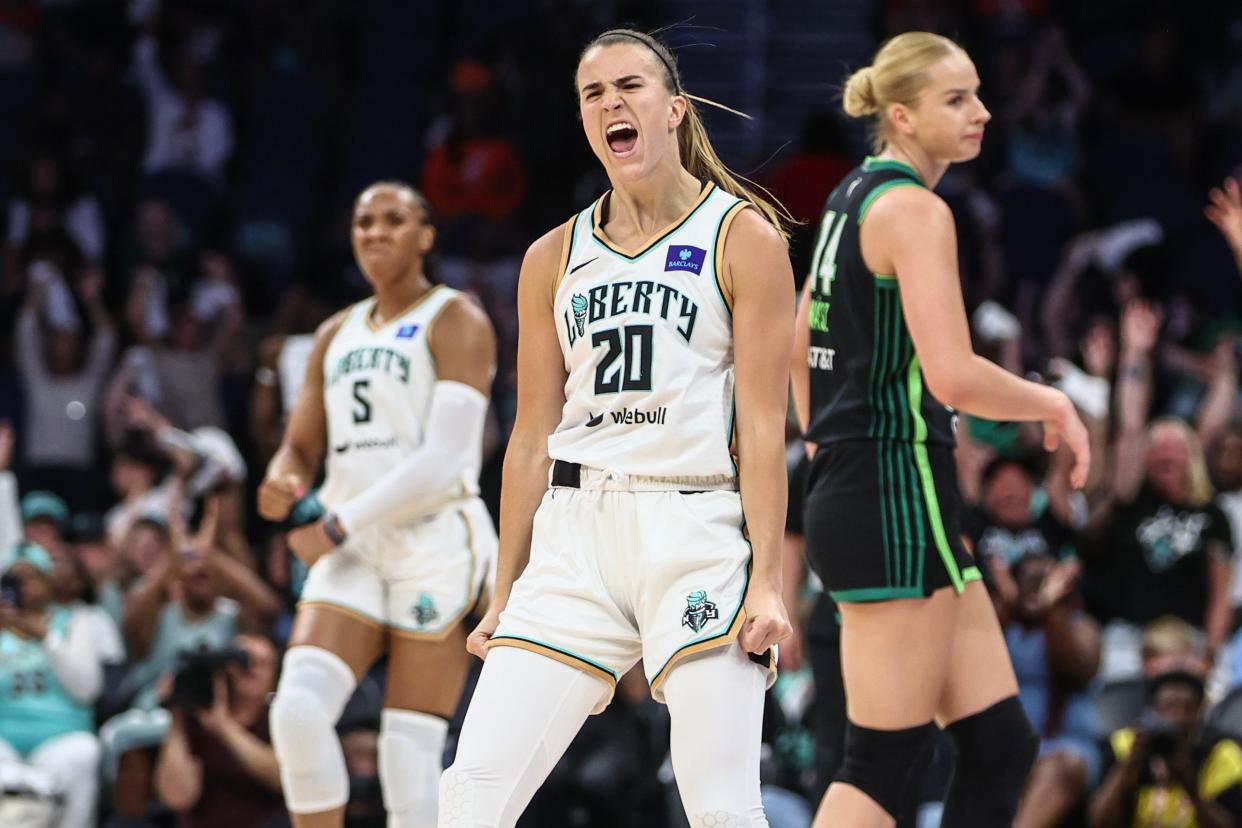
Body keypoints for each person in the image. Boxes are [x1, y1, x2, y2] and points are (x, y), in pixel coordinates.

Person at [439, 28, 796, 828]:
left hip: (695, 523)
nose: (610, 104)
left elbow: (764, 428)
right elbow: (530, 436)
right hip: (575, 534)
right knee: (469, 794)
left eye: (628, 86)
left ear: (674, 110)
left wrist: (767, 579)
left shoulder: (742, 237)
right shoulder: (551, 256)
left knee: (722, 810)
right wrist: (505, 591)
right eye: (592, 94)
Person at [789, 32, 1090, 828]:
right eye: (956, 99)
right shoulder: (915, 210)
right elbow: (953, 375)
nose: (982, 113)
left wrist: (824, 446)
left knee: (999, 748)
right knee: (883, 763)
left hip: (877, 488)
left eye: (979, 93)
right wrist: (1053, 404)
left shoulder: (850, 197)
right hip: (889, 491)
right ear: (901, 115)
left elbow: (797, 346)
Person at [257, 180, 498, 828]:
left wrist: (334, 525)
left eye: (395, 220)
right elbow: (300, 448)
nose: (376, 232)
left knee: (407, 752)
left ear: (426, 236)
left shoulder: (457, 317)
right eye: (364, 221)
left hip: (431, 541)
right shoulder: (334, 332)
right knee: (298, 713)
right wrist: (282, 478)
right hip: (355, 547)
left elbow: (444, 460)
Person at [0, 542, 107, 828]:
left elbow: (87, 689)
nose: (24, 585)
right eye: (15, 578)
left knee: (84, 751)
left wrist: (46, 638)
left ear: (48, 582)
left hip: (59, 738)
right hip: (4, 742)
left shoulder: (73, 619)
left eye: (32, 576)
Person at [154, 632, 286, 828]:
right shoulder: (195, 718)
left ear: (275, 677)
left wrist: (224, 726)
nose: (252, 670)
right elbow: (177, 797)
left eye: (263, 663)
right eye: (244, 660)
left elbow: (280, 778)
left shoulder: (278, 720)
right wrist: (177, 715)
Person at [1088, 666, 1242, 828]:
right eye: (1169, 707)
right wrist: (1127, 766)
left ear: (1200, 712)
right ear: (1152, 710)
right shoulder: (1125, 744)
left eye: (1188, 709)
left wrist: (1190, 787)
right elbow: (1099, 822)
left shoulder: (1220, 753)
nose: (1178, 718)